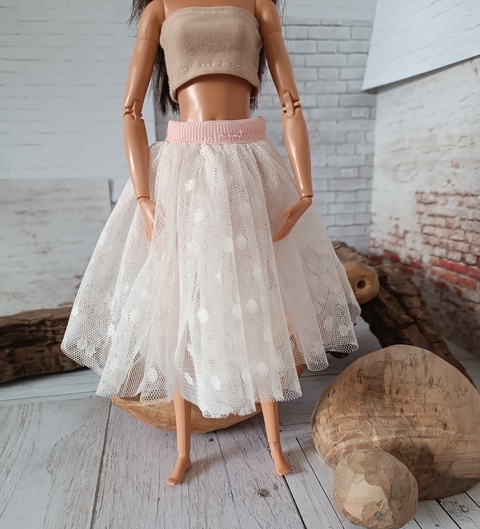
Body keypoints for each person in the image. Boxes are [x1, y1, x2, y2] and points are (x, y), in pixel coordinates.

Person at [60, 0, 361, 485]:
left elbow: (291, 102)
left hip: (246, 163)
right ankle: (182, 450)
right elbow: (131, 108)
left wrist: (305, 191)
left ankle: (274, 443)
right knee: (181, 302)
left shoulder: (259, 5)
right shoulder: (160, 8)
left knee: (258, 300)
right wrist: (143, 197)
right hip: (183, 167)